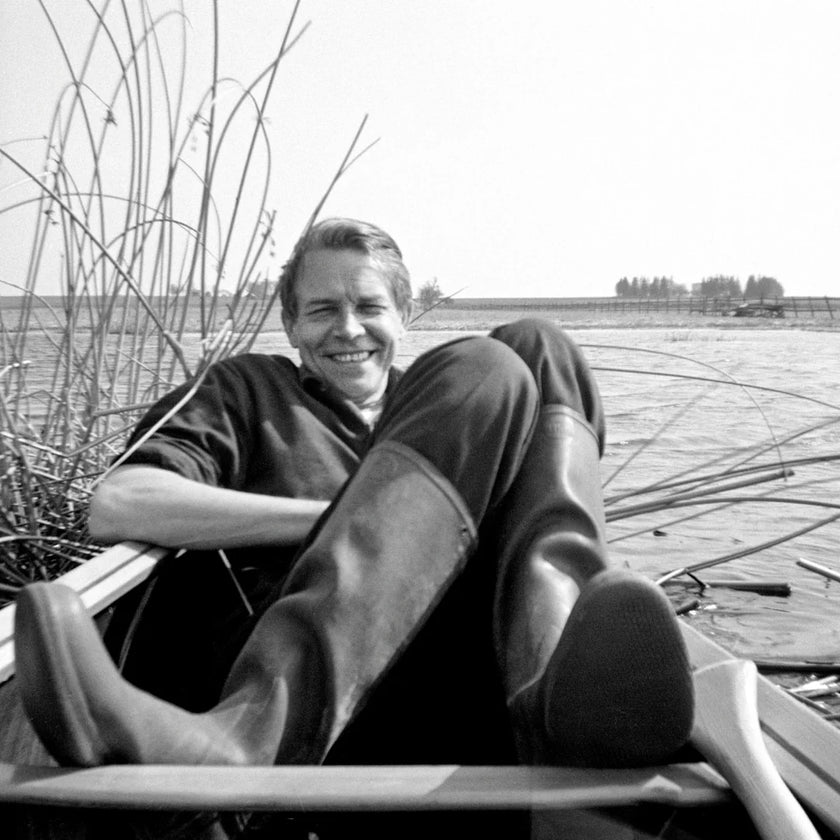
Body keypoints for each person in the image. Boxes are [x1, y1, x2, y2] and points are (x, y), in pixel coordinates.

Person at [14, 218, 693, 787]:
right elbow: (122, 502)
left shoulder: (451, 408)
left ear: (404, 316)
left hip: (453, 678)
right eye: (321, 310)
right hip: (311, 688)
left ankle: (551, 695)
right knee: (488, 368)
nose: (348, 330)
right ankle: (256, 729)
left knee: (540, 348)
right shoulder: (247, 389)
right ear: (289, 322)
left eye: (369, 308)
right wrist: (350, 518)